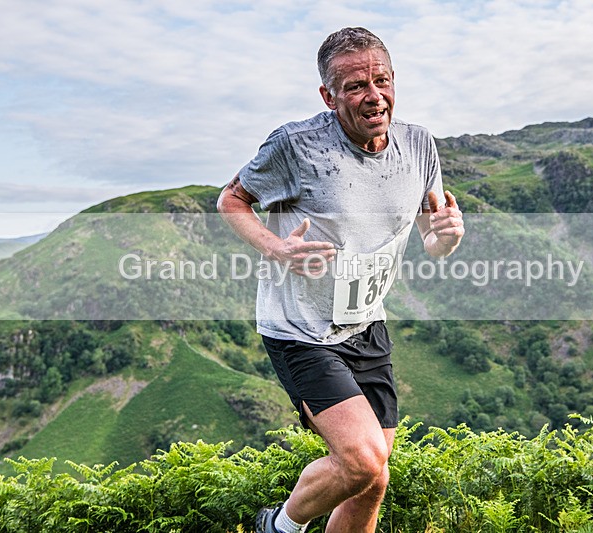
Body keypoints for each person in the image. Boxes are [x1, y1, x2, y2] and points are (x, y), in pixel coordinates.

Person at [217, 27, 464, 533]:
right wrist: (278, 247)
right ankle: (278, 528)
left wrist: (448, 235)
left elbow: (433, 241)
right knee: (361, 460)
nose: (374, 96)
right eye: (355, 87)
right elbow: (231, 200)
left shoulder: (419, 146)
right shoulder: (294, 145)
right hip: (301, 331)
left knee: (372, 479)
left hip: (366, 325)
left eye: (382, 80)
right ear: (328, 97)